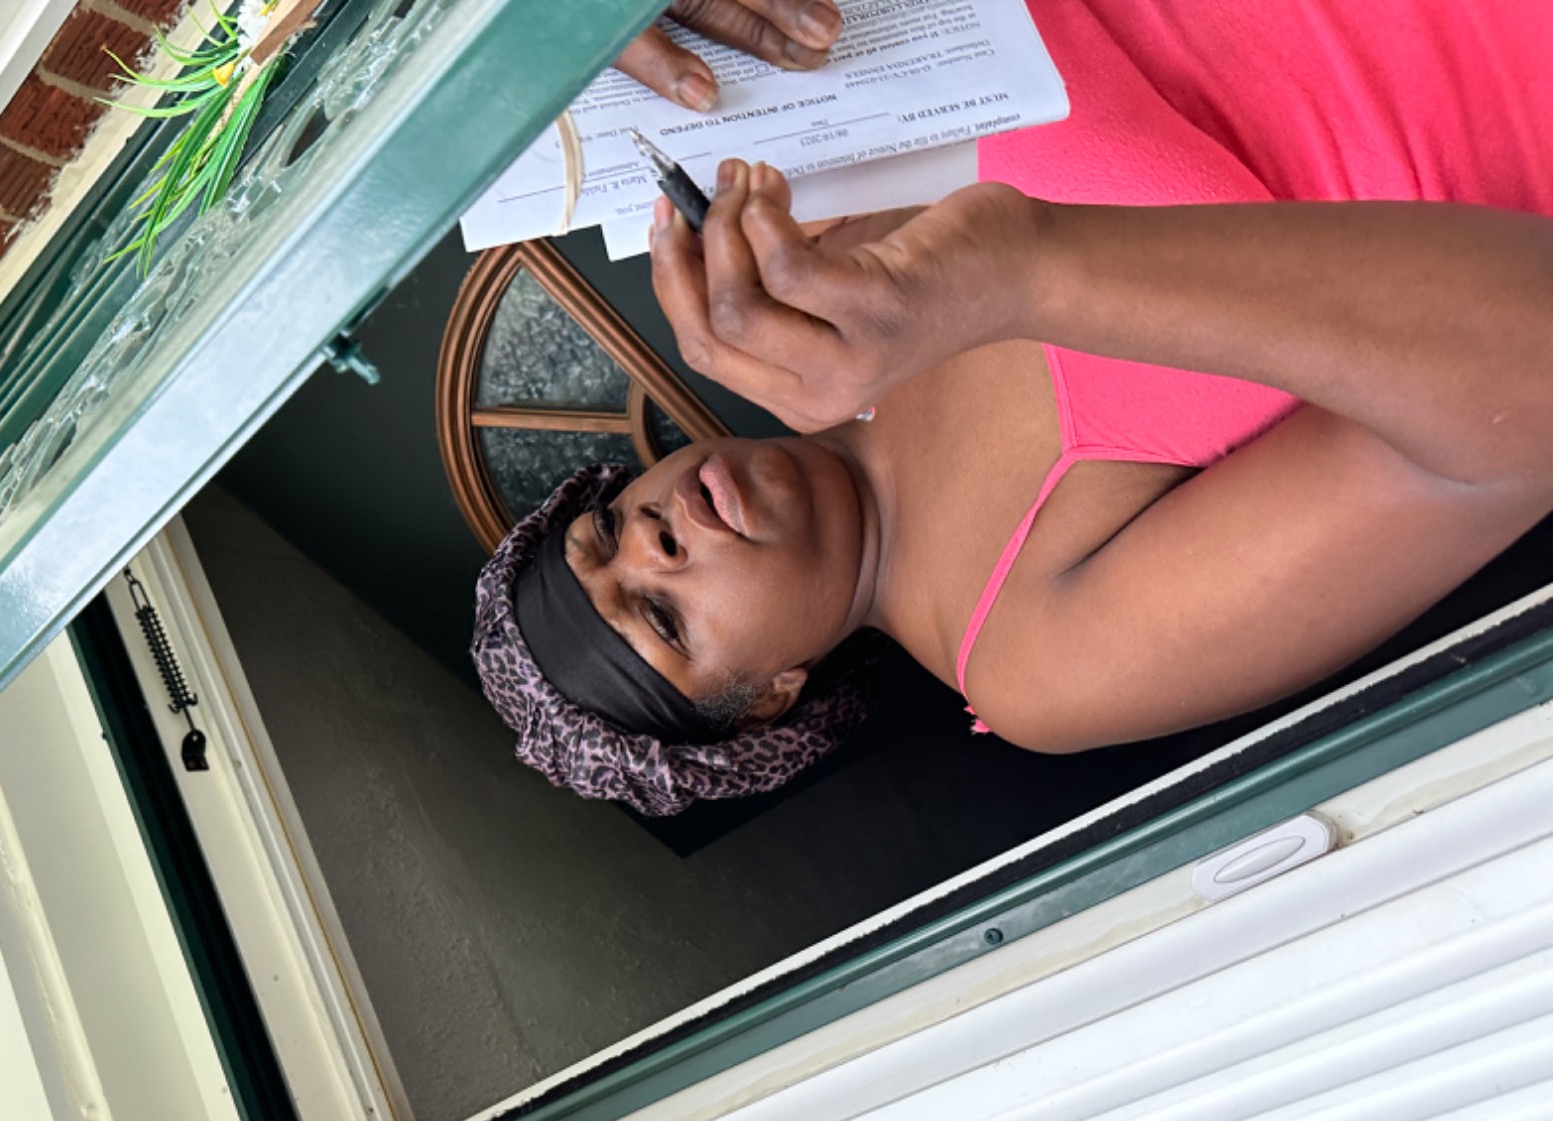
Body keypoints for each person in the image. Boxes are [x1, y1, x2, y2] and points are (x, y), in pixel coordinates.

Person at [473, 0, 1553, 816]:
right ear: (770, 698)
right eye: (660, 616)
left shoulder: (781, 250)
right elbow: (1524, 400)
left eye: (605, 531)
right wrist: (1023, 275)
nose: (650, 540)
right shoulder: (1037, 656)